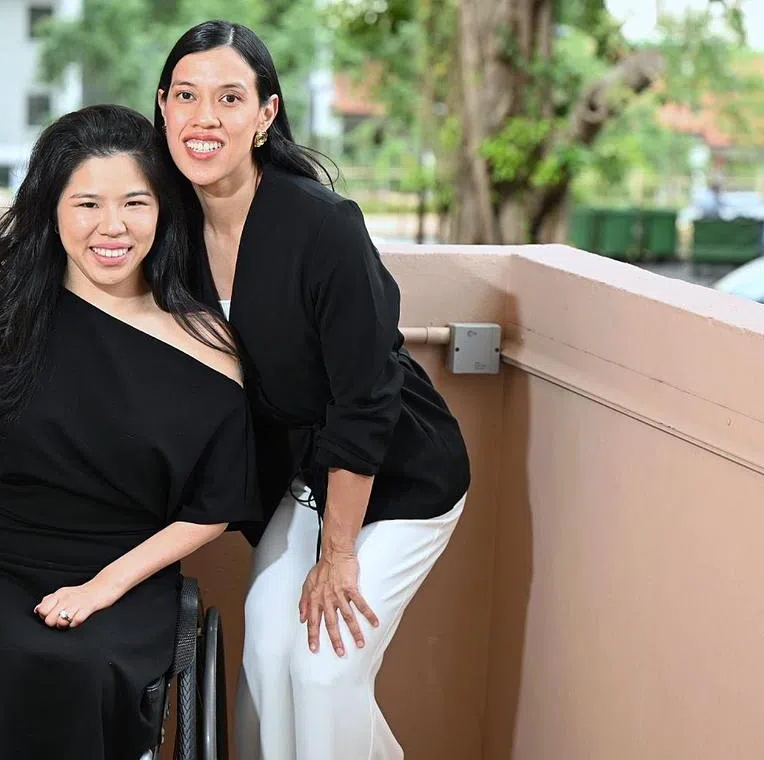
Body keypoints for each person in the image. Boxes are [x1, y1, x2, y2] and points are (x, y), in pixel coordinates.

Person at [0, 104, 260, 760]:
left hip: (125, 581)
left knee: (84, 664)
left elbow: (215, 507)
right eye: (87, 204)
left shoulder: (207, 346)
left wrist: (103, 587)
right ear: (52, 211)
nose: (112, 226)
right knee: (15, 655)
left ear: (164, 211)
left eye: (135, 202)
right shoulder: (0, 329)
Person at [155, 20, 473, 760]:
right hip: (304, 480)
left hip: (400, 476)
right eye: (187, 96)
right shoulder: (169, 229)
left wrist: (337, 554)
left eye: (230, 98)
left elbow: (366, 394)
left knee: (325, 670)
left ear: (265, 115)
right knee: (268, 655)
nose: (206, 117)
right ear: (164, 107)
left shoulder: (322, 226)